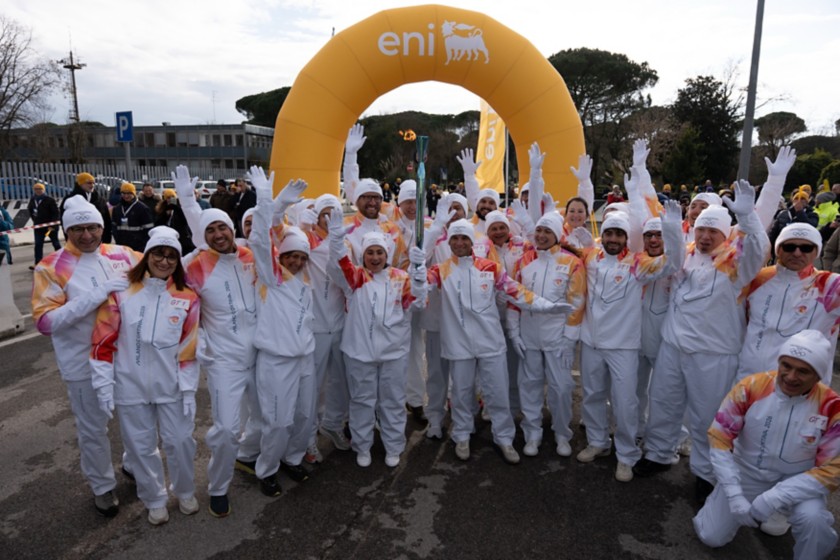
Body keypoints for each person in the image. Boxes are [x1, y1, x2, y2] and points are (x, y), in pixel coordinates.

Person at [634, 181, 771, 504]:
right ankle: (658, 453)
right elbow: (665, 260)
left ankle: (706, 473)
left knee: (706, 417)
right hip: (673, 346)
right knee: (663, 404)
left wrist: (748, 217)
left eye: (714, 231)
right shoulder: (685, 255)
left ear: (725, 234)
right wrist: (670, 229)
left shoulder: (737, 263)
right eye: (701, 230)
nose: (706, 236)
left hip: (714, 354)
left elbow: (758, 250)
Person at [424, 218, 572, 464]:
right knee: (461, 393)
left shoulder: (490, 268)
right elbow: (417, 289)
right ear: (449, 242)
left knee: (498, 392)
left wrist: (546, 305)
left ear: (472, 241)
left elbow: (517, 292)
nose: (459, 243)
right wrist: (418, 266)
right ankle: (462, 435)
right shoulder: (440, 270)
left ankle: (504, 437)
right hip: (458, 344)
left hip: (490, 342)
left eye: (464, 238)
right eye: (455, 239)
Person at [31, 195, 140, 517]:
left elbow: (167, 266)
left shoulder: (123, 254)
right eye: (78, 229)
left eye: (93, 227)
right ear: (66, 231)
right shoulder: (51, 266)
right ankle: (102, 486)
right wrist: (97, 295)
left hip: (125, 356)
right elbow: (46, 322)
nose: (87, 235)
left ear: (102, 227)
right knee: (93, 428)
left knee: (137, 419)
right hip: (82, 362)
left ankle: (134, 465)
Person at [694, 330, 840, 560]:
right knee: (710, 536)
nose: (791, 377)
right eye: (786, 365)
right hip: (748, 471)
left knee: (813, 521)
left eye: (803, 371)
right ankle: (720, 500)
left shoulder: (831, 406)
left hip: (798, 479)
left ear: (818, 375)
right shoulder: (751, 387)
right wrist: (733, 493)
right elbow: (719, 439)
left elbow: (832, 469)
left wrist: (775, 497)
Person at [89, 226, 200, 525]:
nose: (164, 261)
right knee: (140, 447)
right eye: (158, 254)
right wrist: (104, 385)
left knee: (180, 442)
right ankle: (154, 498)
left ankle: (185, 490)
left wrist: (188, 389)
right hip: (130, 385)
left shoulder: (187, 297)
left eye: (171, 257)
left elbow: (189, 348)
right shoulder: (121, 291)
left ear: (177, 262)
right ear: (147, 256)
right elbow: (102, 341)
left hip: (171, 385)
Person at [173, 166, 260, 518]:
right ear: (202, 235)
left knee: (267, 419)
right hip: (225, 360)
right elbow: (166, 285)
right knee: (226, 429)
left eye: (222, 227)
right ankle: (218, 486)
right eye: (210, 230)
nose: (218, 234)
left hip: (261, 354)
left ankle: (249, 457)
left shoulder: (250, 255)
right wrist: (187, 201)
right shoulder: (194, 265)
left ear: (231, 227)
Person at [575, 203, 682, 482]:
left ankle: (626, 454)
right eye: (609, 233)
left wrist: (672, 228)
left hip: (623, 346)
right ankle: (598, 441)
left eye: (619, 234)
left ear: (626, 238)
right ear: (602, 235)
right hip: (591, 341)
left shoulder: (638, 264)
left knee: (624, 403)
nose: (613, 239)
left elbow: (673, 262)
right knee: (592, 395)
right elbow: (558, 242)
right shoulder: (591, 257)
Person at [328, 210, 427, 467]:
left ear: (387, 254)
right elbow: (338, 266)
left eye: (379, 252)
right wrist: (336, 241)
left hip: (394, 352)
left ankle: (394, 446)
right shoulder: (356, 278)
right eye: (370, 253)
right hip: (359, 352)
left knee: (392, 401)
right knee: (362, 401)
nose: (375, 257)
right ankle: (362, 446)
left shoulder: (400, 278)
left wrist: (420, 281)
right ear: (363, 256)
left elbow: (417, 304)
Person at [245, 169, 316, 495]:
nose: (297, 262)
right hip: (276, 360)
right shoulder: (272, 277)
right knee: (277, 420)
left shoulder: (305, 280)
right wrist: (270, 201)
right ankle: (267, 469)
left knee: (303, 416)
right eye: (291, 256)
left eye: (302, 257)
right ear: (281, 256)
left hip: (305, 358)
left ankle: (293, 457)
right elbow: (260, 240)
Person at [507, 211, 585, 457]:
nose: (541, 235)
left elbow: (577, 302)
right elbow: (514, 298)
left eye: (547, 231)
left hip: (557, 338)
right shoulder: (523, 261)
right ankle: (532, 432)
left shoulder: (572, 262)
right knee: (529, 386)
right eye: (539, 230)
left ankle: (562, 433)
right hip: (529, 336)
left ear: (557, 235)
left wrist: (569, 340)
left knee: (561, 388)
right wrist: (514, 333)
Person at [60, 172, 112, 243]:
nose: (92, 185)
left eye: (93, 183)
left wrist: (107, 239)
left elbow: (107, 220)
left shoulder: (99, 200)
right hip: (79, 240)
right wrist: (69, 239)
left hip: (99, 239)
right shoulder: (70, 200)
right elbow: (64, 221)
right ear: (80, 184)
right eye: (89, 183)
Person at [111, 183, 154, 252]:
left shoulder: (142, 208)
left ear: (134, 194)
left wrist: (143, 244)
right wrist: (118, 239)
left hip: (138, 247)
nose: (126, 196)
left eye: (129, 193)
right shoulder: (117, 208)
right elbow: (114, 226)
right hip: (122, 246)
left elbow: (149, 229)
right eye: (123, 193)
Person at [27, 182, 62, 268]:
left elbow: (56, 213)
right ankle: (38, 263)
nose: (38, 191)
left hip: (51, 226)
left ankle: (62, 260)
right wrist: (35, 221)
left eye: (40, 189)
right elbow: (30, 210)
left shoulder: (49, 200)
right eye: (36, 189)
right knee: (38, 244)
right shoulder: (33, 200)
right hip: (39, 227)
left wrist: (53, 225)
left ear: (44, 190)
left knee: (56, 243)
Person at [154, 190, 195, 255]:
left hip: (182, 238)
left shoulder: (181, 207)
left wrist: (176, 208)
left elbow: (185, 221)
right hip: (168, 238)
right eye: (168, 197)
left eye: (172, 197)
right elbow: (158, 223)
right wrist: (166, 215)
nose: (170, 199)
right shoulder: (163, 208)